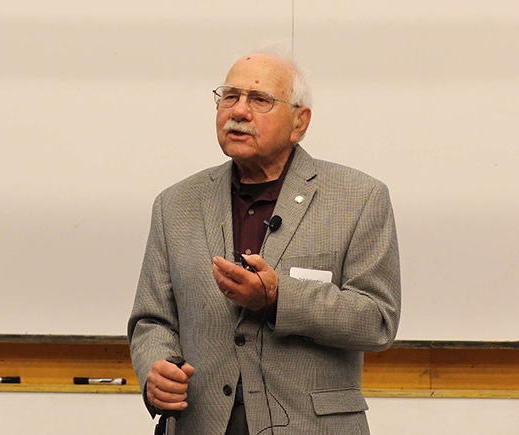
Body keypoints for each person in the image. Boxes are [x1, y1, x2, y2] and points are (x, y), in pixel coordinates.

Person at [128, 45, 401, 435]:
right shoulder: (175, 204)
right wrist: (157, 369)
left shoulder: (358, 197)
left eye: (260, 100)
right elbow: (151, 320)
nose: (239, 111)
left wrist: (277, 298)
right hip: (201, 423)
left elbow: (377, 320)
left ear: (299, 122)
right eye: (230, 96)